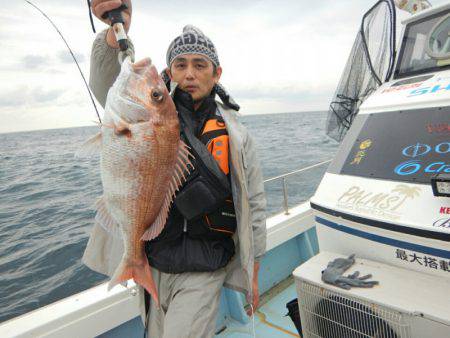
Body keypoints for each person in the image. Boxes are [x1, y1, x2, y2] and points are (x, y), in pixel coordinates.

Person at [82, 1, 267, 337]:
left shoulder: (237, 134)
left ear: (217, 73)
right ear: (169, 71)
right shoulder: (155, 113)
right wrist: (114, 33)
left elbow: (254, 202)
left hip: (205, 264)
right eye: (180, 64)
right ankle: (132, 260)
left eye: (200, 64)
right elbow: (109, 80)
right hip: (155, 259)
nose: (190, 73)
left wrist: (253, 269)